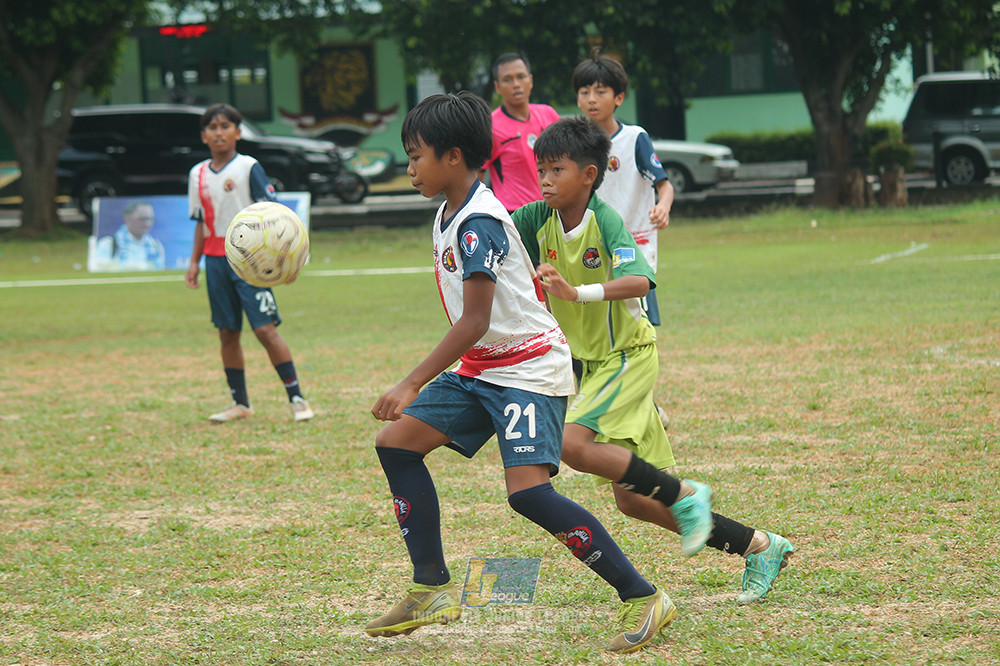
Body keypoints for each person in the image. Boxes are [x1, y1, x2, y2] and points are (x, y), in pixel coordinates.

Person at [364, 91, 679, 653]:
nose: (409, 168)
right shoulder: (450, 211)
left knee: (528, 494)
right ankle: (430, 586)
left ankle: (644, 596)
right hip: (484, 365)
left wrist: (411, 381)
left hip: (528, 367)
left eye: (416, 157)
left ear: (453, 157)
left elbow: (475, 320)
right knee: (397, 444)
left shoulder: (478, 223)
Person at [513, 116, 794, 604]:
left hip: (627, 357)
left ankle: (687, 492)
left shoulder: (606, 221)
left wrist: (576, 292)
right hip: (594, 367)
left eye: (557, 170)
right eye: (542, 170)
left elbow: (641, 281)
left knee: (570, 444)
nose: (546, 180)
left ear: (589, 175)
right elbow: (494, 227)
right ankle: (760, 545)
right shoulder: (538, 218)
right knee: (633, 499)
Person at [184, 103, 314, 424]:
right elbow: (200, 222)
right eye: (212, 128)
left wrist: (290, 260)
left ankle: (297, 399)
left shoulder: (248, 167)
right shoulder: (197, 174)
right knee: (227, 333)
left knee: (265, 330)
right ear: (203, 136)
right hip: (215, 261)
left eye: (225, 126)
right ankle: (240, 403)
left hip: (251, 264)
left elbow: (276, 216)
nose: (219, 133)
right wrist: (194, 261)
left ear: (238, 132)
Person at [572, 51, 672, 328]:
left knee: (637, 322)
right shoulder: (575, 145)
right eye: (584, 92)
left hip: (633, 245)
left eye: (600, 91)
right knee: (596, 321)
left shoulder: (634, 138)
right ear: (577, 99)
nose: (591, 99)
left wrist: (663, 206)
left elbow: (664, 185)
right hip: (591, 244)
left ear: (619, 97)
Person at [484, 52, 561, 212]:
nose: (516, 84)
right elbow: (474, 176)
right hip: (515, 216)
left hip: (553, 212)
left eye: (521, 77)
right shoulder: (489, 127)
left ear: (530, 80)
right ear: (497, 87)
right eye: (507, 80)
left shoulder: (549, 115)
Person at [93, 200, 165, 271]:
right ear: (128, 219)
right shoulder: (108, 245)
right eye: (142, 219)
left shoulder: (156, 246)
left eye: (151, 219)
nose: (147, 224)